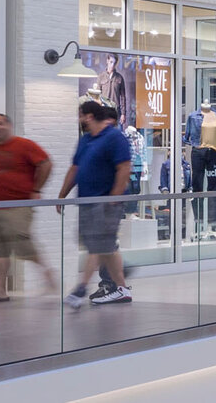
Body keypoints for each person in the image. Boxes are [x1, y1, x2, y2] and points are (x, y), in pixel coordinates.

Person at [58, 100, 134, 307]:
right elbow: (75, 169)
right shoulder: (85, 140)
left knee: (97, 245)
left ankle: (80, 289)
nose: (80, 120)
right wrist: (62, 194)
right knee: (104, 246)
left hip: (106, 202)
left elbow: (124, 168)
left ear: (89, 116)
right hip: (87, 201)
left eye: (81, 116)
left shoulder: (114, 137)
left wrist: (114, 198)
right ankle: (122, 288)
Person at [0, 114, 56, 303]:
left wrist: (36, 189)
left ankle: (47, 274)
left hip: (18, 206)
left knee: (22, 243)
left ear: (9, 126)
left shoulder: (24, 144)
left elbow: (46, 163)